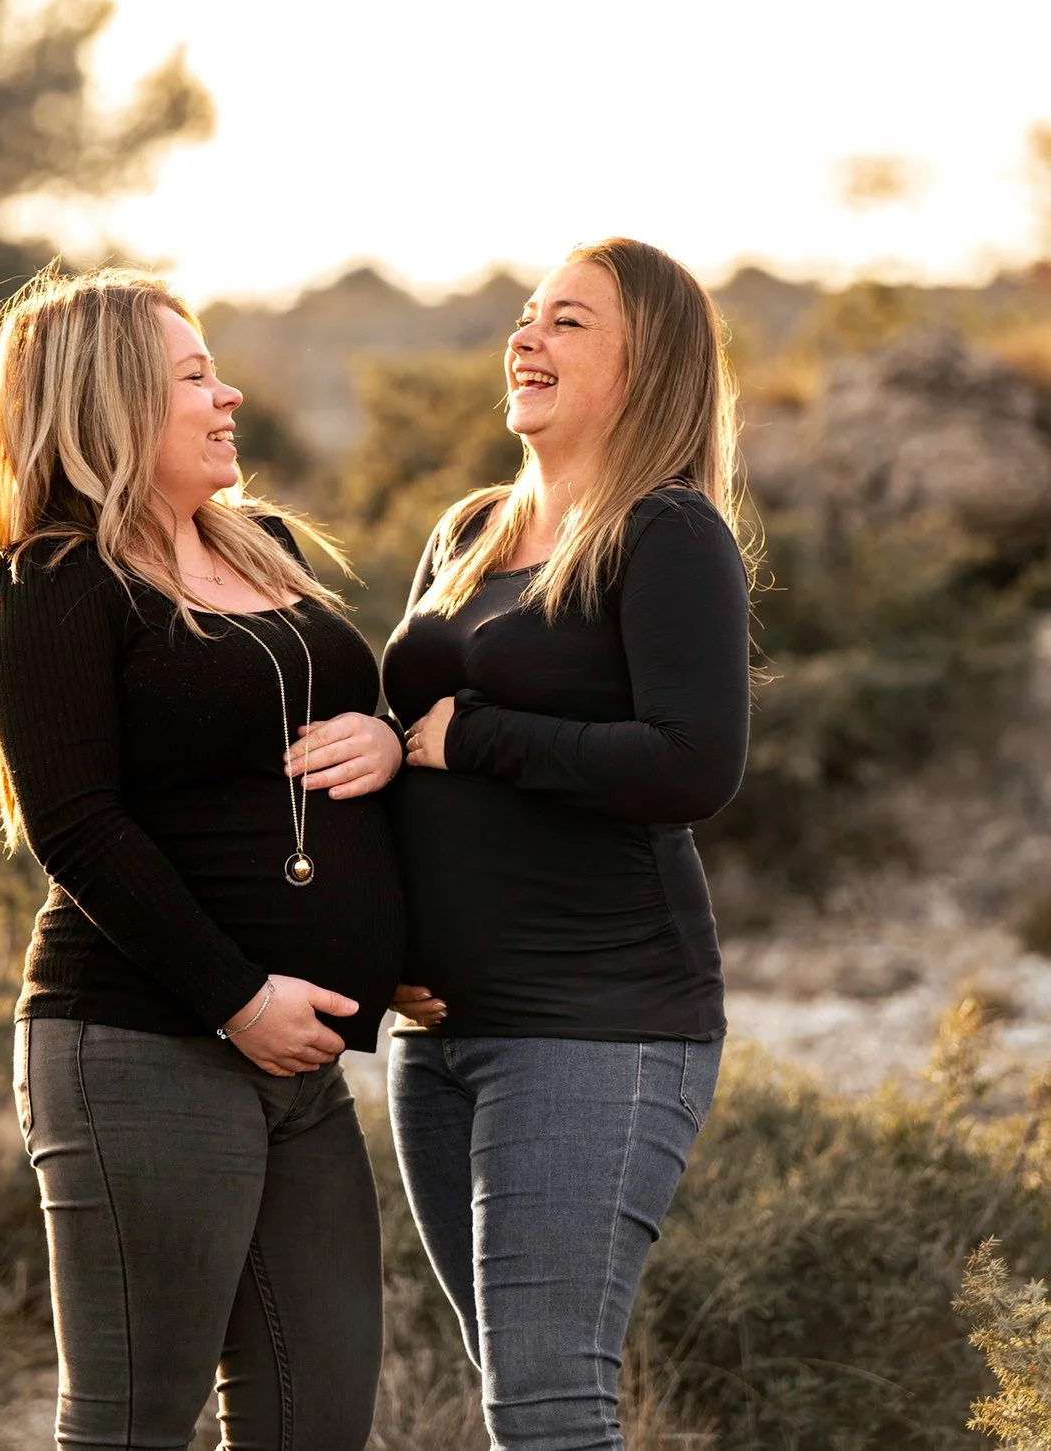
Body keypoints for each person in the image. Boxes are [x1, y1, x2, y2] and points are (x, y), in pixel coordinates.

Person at [0, 265, 404, 1451]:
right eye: (195, 375)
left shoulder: (269, 549)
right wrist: (240, 1000)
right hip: (142, 1044)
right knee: (134, 1424)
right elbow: (78, 826)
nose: (229, 394)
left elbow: (332, 726)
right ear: (110, 406)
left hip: (303, 1056)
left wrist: (388, 739)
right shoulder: (53, 582)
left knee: (317, 1422)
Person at [381, 237, 752, 1450]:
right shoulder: (474, 527)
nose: (526, 337)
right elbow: (407, 748)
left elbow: (694, 765)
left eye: (570, 323)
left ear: (647, 367)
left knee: (547, 1411)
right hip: (438, 1035)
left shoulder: (668, 534)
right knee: (520, 1397)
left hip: (597, 1020)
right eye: (529, 315)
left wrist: (477, 738)